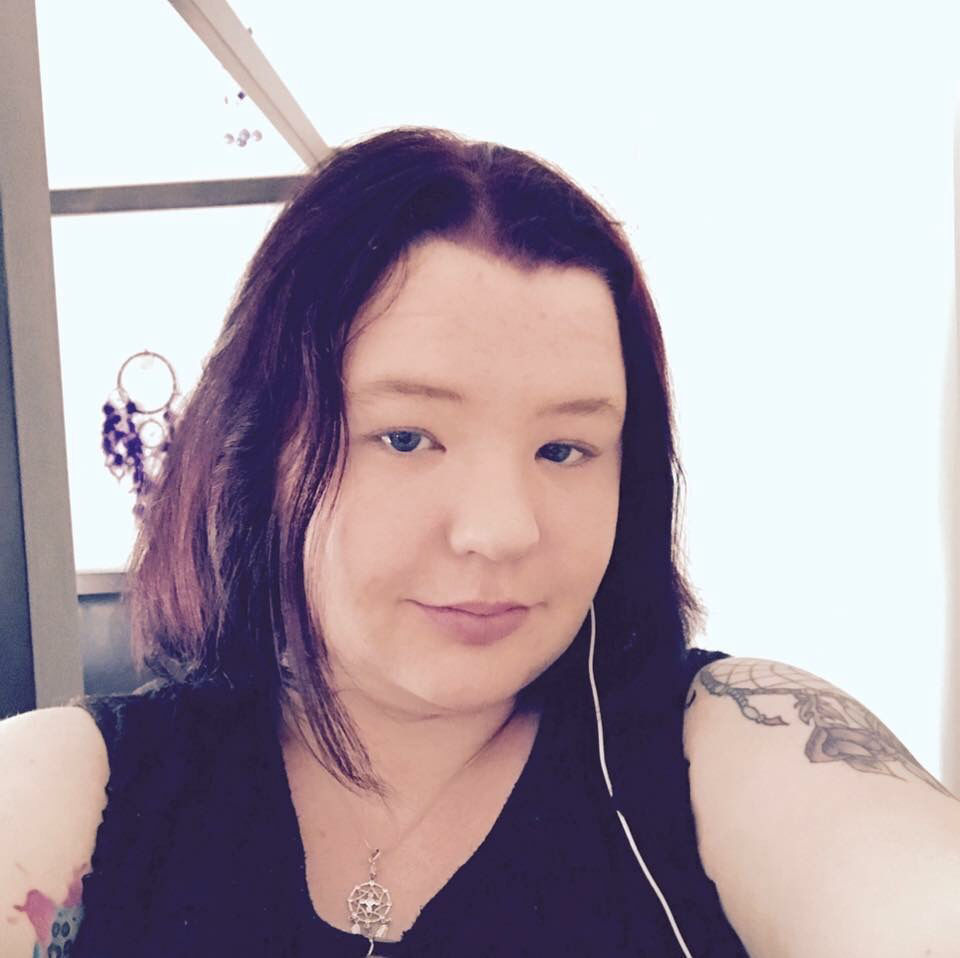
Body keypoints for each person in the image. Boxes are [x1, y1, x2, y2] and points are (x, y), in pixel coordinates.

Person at [3, 126, 959, 958]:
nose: (501, 530)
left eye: (565, 448)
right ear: (260, 452)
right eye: (407, 437)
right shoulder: (87, 793)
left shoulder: (726, 751)